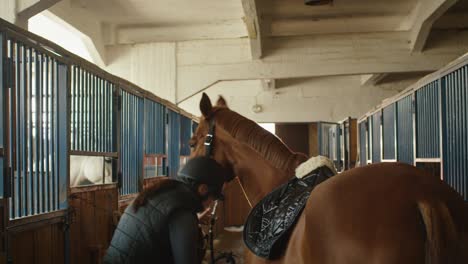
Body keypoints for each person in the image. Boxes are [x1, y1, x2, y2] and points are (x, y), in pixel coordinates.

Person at [103, 156, 228, 264]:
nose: (211, 203)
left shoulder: (164, 193)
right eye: (213, 197)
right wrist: (189, 225)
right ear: (203, 189)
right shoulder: (183, 212)